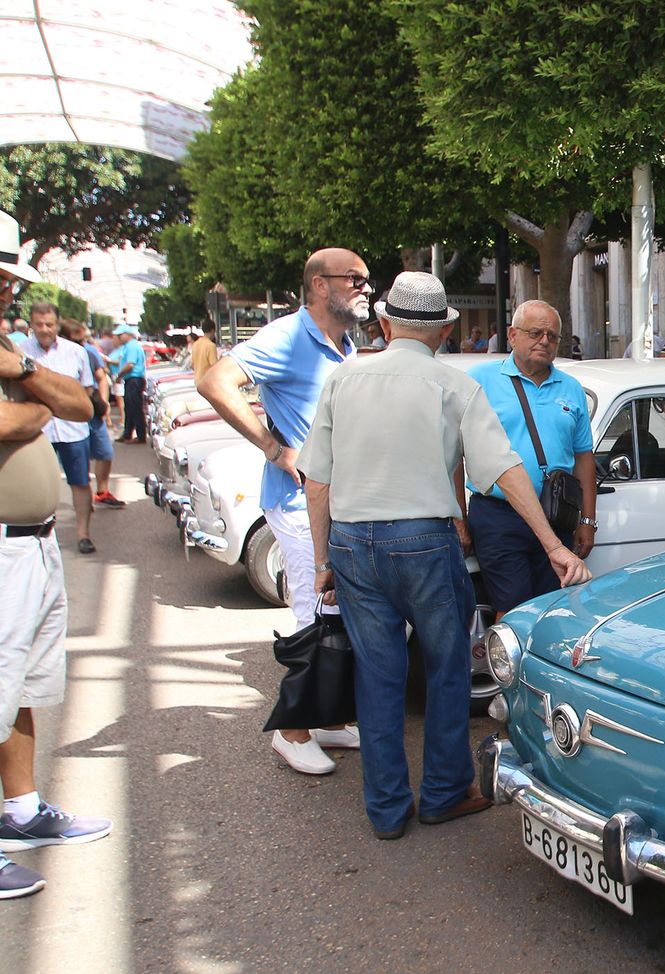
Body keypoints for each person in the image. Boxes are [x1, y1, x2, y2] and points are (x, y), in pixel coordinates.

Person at [299, 272, 590, 839]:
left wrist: (320, 561)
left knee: (378, 677)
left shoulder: (345, 378)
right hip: (424, 542)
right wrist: (553, 543)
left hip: (353, 543)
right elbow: (502, 469)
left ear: (385, 323)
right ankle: (444, 792)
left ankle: (386, 810)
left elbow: (316, 480)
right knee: (448, 669)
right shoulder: (454, 385)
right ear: (446, 328)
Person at [198, 248, 368, 775]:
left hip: (338, 503)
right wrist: (274, 448)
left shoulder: (345, 343)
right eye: (355, 279)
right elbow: (214, 382)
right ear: (320, 285)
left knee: (338, 613)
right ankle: (291, 733)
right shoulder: (287, 336)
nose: (366, 287)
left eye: (368, 280)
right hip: (299, 505)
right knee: (312, 619)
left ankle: (329, 718)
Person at [0, 216, 112, 900]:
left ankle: (20, 810)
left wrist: (24, 376)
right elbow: (27, 418)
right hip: (4, 549)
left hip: (34, 545)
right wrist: (35, 404)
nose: (9, 290)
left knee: (23, 688)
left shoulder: (11, 348)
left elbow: (82, 405)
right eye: (4, 278)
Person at [465, 300, 597, 617]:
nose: (545, 341)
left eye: (552, 336)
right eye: (535, 332)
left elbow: (584, 458)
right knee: (513, 610)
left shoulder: (571, 387)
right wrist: (458, 515)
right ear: (512, 335)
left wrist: (587, 521)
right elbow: (455, 453)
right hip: (499, 515)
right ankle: (510, 665)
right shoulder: (480, 379)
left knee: (552, 607)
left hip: (557, 514)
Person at [19, 303, 97, 553]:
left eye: (49, 324)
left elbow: (87, 390)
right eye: (39, 324)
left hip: (73, 431)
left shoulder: (76, 352)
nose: (44, 329)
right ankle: (40, 531)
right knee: (37, 483)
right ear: (31, 324)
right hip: (37, 431)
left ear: (57, 324)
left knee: (80, 482)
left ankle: (83, 534)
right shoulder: (19, 351)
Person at [61, 318, 122, 510]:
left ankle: (102, 491)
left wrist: (103, 402)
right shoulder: (58, 355)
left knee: (105, 451)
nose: (82, 344)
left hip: (92, 409)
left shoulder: (89, 352)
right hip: (69, 412)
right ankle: (84, 497)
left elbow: (101, 377)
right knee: (79, 458)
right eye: (77, 341)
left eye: (83, 340)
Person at [109, 323, 147, 443]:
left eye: (120, 335)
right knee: (129, 408)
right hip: (131, 379)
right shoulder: (128, 347)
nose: (118, 338)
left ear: (127, 335)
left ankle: (141, 435)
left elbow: (130, 364)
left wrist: (119, 375)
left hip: (134, 379)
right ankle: (127, 433)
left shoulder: (131, 346)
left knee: (135, 408)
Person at [188, 319, 219, 385]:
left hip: (197, 381)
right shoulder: (210, 346)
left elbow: (193, 365)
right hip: (207, 383)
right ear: (213, 330)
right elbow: (215, 366)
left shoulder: (195, 344)